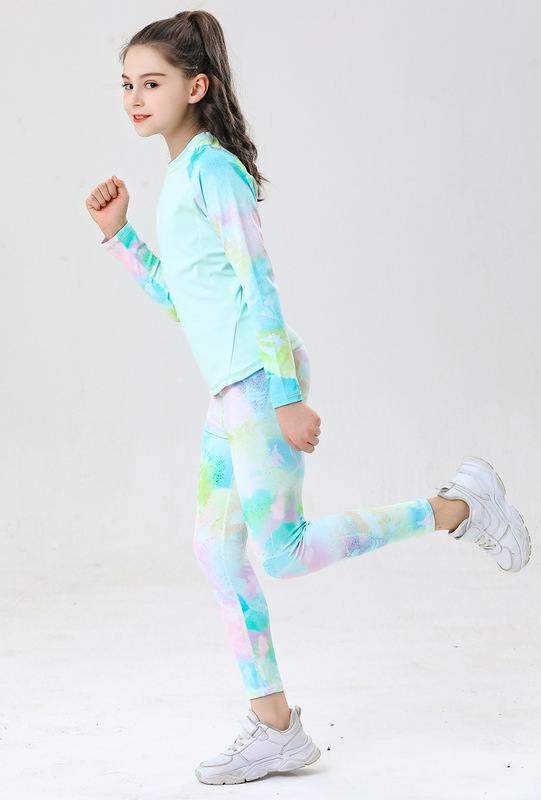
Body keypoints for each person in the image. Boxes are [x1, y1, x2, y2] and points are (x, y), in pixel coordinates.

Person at [85, 9, 531, 786]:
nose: (134, 98)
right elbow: (187, 305)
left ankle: (457, 507)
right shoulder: (180, 177)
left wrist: (286, 395)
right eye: (126, 84)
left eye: (151, 83)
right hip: (231, 390)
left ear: (196, 87)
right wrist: (121, 236)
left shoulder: (214, 171)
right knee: (216, 550)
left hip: (260, 384)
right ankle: (275, 728)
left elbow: (259, 285)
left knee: (282, 552)